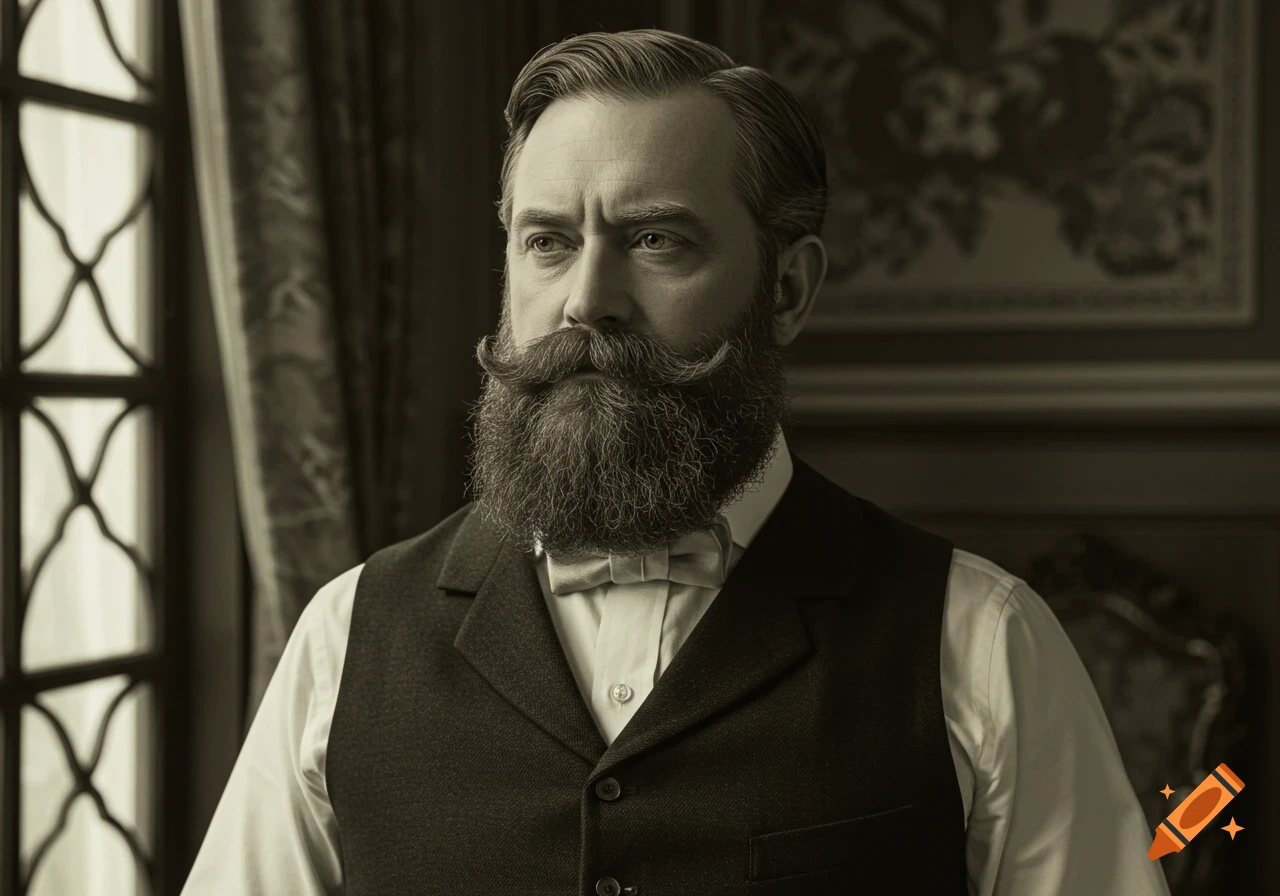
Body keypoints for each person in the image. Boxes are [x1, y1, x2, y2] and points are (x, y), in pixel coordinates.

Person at [181, 29, 1171, 895]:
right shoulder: (346, 635)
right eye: (546, 241)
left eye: (655, 239)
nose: (586, 300)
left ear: (786, 290)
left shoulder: (978, 640)